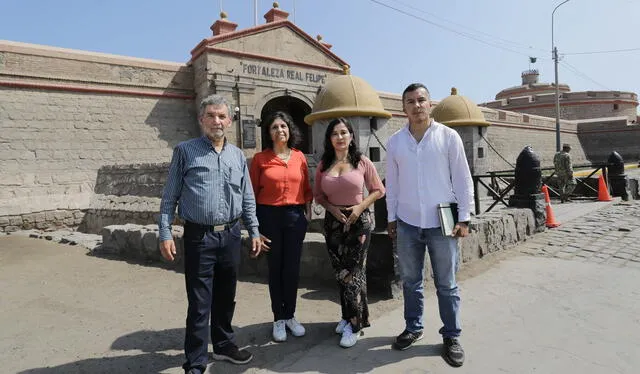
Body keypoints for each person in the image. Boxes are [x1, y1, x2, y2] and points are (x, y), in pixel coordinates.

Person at [158, 94, 269, 374]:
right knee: (199, 302)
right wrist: (165, 232)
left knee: (226, 295)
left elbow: (247, 197)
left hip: (231, 234)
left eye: (222, 116)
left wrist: (253, 230)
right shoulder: (185, 151)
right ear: (201, 119)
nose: (216, 121)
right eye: (211, 115)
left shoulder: (237, 156)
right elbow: (169, 196)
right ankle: (195, 362)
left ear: (229, 121)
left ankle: (223, 346)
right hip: (199, 236)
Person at [385, 83, 473, 367]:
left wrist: (465, 217)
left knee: (446, 284)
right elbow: (393, 186)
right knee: (411, 281)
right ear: (404, 107)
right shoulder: (396, 142)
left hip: (443, 221)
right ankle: (413, 327)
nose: (417, 105)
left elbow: (462, 179)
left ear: (430, 103)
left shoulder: (448, 137)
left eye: (421, 100)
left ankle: (451, 335)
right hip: (409, 222)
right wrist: (390, 218)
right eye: (410, 101)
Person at [314, 117, 385, 348]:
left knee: (353, 273)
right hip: (333, 223)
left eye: (344, 132)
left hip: (359, 221)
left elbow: (378, 190)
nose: (340, 137)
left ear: (351, 136)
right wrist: (333, 209)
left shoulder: (362, 161)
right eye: (335, 133)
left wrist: (360, 207)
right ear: (329, 139)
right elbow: (319, 196)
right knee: (341, 273)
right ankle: (348, 316)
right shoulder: (324, 164)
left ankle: (354, 326)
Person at [249, 111, 313, 343]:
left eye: (283, 126)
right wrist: (255, 228)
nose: (280, 131)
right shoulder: (260, 159)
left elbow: (306, 189)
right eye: (275, 127)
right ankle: (278, 317)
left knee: (292, 269)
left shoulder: (299, 157)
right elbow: (252, 194)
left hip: (295, 217)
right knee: (275, 269)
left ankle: (290, 316)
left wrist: (305, 214)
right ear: (269, 132)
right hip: (269, 217)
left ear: (290, 130)